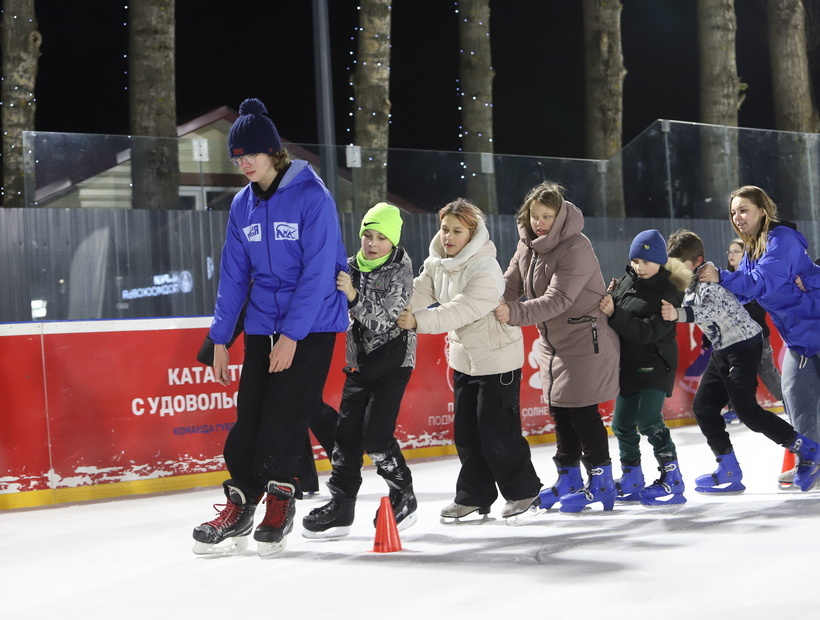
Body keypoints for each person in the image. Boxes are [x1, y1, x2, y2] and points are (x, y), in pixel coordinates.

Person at [192, 98, 349, 556]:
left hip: (312, 323)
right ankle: (240, 503)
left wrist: (293, 336)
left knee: (286, 414)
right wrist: (221, 338)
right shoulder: (242, 205)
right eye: (237, 158)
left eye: (251, 155)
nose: (244, 164)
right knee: (252, 413)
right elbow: (233, 277)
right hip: (264, 323)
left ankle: (280, 500)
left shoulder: (312, 197)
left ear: (273, 152)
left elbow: (318, 273)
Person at [398, 198, 541, 523]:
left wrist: (417, 321)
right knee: (466, 433)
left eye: (457, 231)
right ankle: (474, 496)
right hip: (465, 360)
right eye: (445, 229)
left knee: (497, 432)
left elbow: (460, 310)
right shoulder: (439, 262)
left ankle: (524, 491)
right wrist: (394, 308)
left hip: (498, 361)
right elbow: (420, 290)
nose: (448, 236)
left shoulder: (485, 268)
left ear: (472, 234)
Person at [494, 181, 620, 514]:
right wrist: (487, 302)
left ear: (560, 216)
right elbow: (511, 283)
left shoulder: (576, 246)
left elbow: (559, 299)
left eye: (547, 216)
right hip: (554, 343)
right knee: (560, 410)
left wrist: (514, 313)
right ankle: (568, 479)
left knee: (582, 412)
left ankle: (602, 482)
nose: (539, 223)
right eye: (534, 215)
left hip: (585, 338)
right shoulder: (527, 245)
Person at [662, 229, 820, 493]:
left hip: (744, 345)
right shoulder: (688, 281)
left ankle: (806, 448)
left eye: (681, 265)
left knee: (747, 411)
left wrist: (677, 313)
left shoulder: (708, 279)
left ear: (698, 261)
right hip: (723, 348)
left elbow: (708, 310)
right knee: (703, 407)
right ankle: (729, 469)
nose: (675, 271)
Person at [302, 203, 418, 538]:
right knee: (346, 436)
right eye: (368, 235)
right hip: (358, 363)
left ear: (392, 241)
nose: (372, 243)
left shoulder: (400, 270)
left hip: (393, 362)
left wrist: (352, 295)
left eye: (381, 237)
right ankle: (342, 505)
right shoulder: (349, 266)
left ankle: (403, 494)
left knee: (376, 436)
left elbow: (384, 320)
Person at [599, 230, 690, 506]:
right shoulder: (627, 280)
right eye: (635, 260)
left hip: (655, 363)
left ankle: (672, 477)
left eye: (646, 262)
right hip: (628, 364)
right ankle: (632, 477)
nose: (639, 267)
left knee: (649, 420)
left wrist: (614, 312)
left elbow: (647, 332)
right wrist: (611, 296)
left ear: (660, 261)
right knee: (622, 424)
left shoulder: (669, 291)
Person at [725, 238, 783, 403]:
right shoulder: (725, 279)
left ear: (745, 254)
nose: (732, 255)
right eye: (730, 251)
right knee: (734, 373)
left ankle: (791, 402)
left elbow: (758, 308)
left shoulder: (753, 277)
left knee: (767, 372)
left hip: (757, 336)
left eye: (736, 251)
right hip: (734, 339)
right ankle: (736, 407)